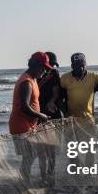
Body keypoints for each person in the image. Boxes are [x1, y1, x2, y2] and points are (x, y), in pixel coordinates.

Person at [9, 52, 52, 186]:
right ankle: (24, 183)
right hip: (21, 125)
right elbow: (24, 106)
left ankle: (25, 181)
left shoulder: (32, 79)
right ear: (35, 65)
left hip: (29, 124)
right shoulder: (26, 82)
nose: (44, 71)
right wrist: (41, 116)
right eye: (43, 68)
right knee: (29, 156)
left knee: (31, 155)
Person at [36, 51, 64, 186]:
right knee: (42, 149)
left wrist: (52, 101)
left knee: (51, 149)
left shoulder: (54, 73)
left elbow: (56, 91)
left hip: (52, 114)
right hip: (39, 115)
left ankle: (50, 175)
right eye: (50, 64)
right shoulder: (36, 74)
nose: (52, 67)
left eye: (53, 65)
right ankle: (43, 177)